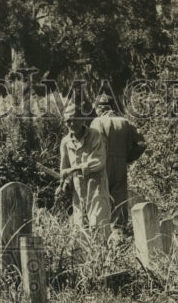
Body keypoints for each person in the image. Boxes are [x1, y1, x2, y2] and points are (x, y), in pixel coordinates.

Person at [91, 94, 146, 229]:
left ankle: (101, 233)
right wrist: (128, 158)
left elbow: (93, 145)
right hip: (120, 165)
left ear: (99, 108)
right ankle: (119, 234)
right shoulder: (126, 122)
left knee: (100, 198)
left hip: (102, 165)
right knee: (120, 199)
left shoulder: (97, 122)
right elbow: (141, 143)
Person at [59, 100, 111, 240]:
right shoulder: (65, 142)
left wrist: (75, 168)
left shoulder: (95, 135)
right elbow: (64, 169)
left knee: (99, 225)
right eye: (67, 121)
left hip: (96, 187)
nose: (71, 124)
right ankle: (86, 260)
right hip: (78, 190)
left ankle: (103, 258)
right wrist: (63, 184)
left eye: (74, 120)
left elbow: (99, 161)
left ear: (82, 119)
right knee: (80, 228)